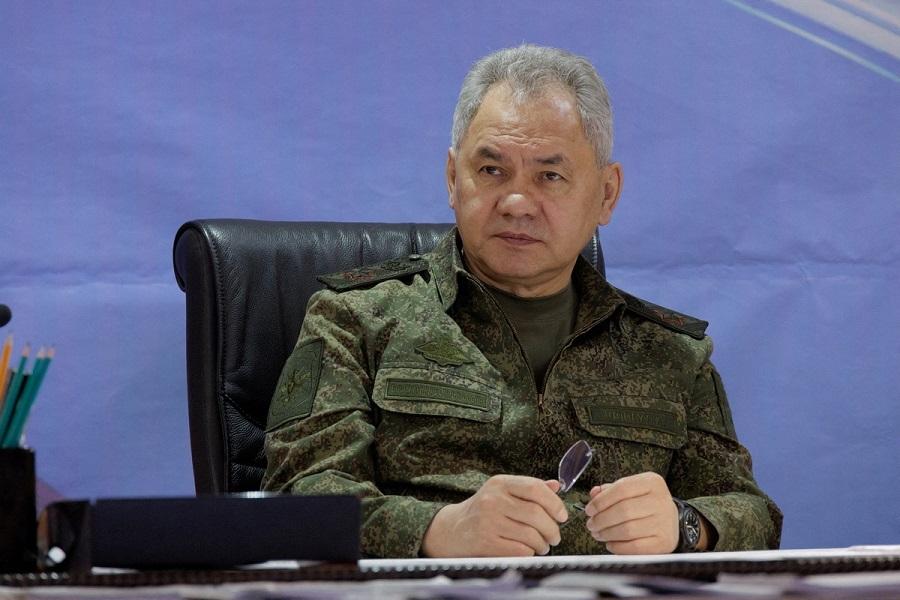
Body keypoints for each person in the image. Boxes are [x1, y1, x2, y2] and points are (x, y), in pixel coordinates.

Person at [262, 44, 782, 558]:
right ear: (452, 178)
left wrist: (684, 525)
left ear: (606, 194)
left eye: (549, 176)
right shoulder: (356, 320)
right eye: (491, 170)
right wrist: (438, 530)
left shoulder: (669, 353)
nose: (516, 203)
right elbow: (295, 499)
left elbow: (753, 515)